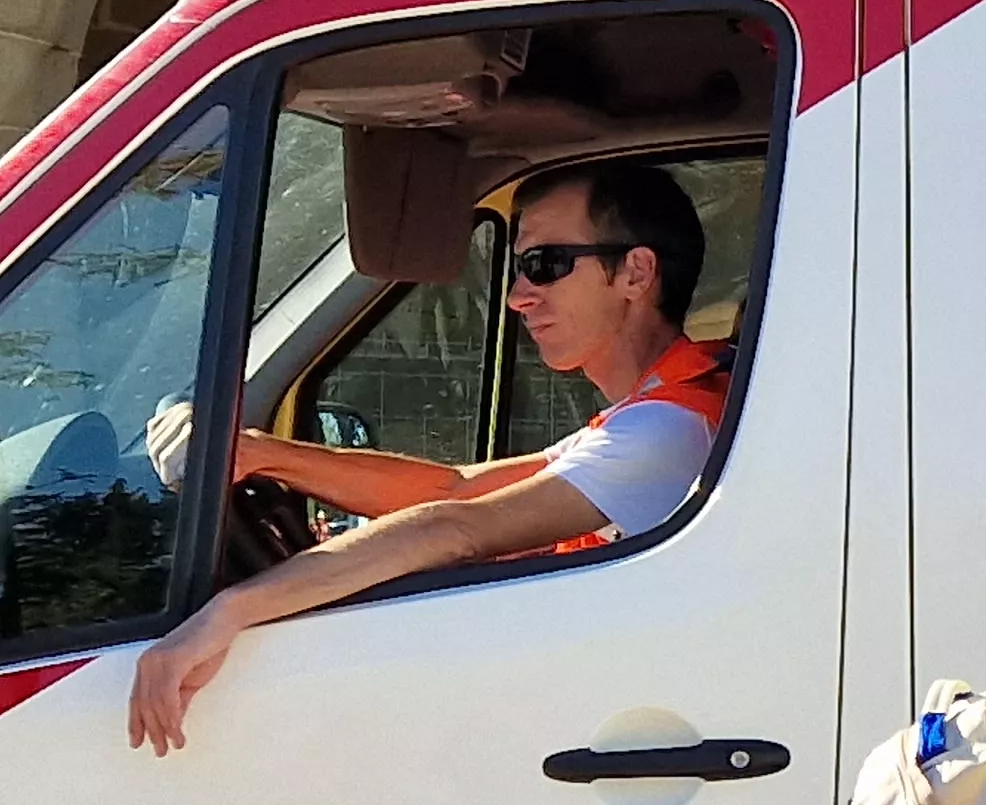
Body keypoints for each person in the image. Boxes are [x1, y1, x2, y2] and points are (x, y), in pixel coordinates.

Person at [125, 161, 721, 752]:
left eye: (545, 266)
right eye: (517, 269)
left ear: (637, 273)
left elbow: (461, 528)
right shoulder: (658, 409)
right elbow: (456, 489)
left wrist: (230, 611)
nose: (517, 297)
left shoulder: (665, 430)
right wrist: (260, 454)